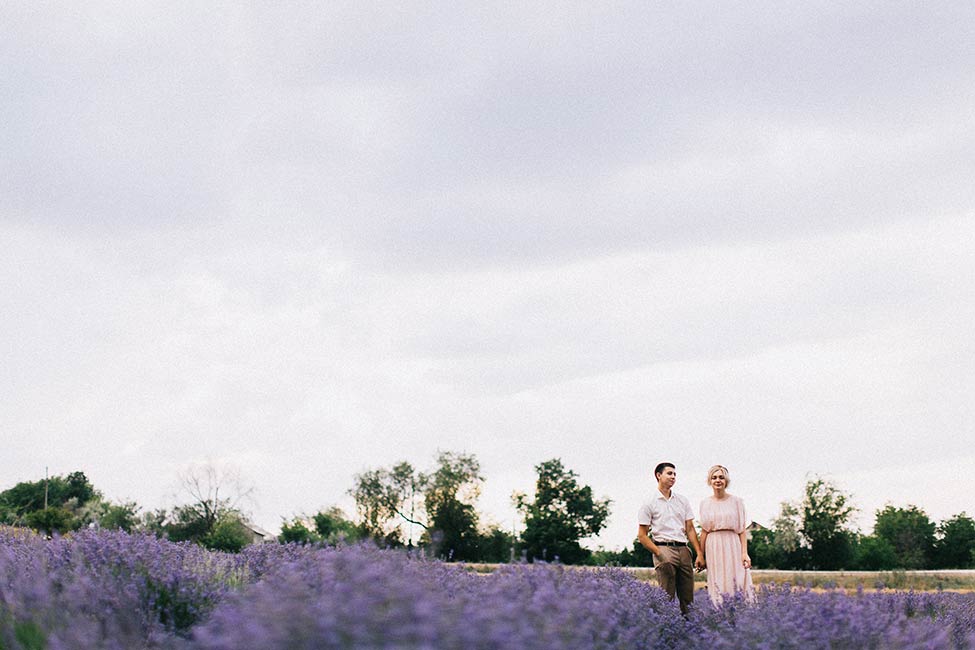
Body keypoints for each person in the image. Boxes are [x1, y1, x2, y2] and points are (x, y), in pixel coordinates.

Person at [637, 462, 704, 614]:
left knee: (688, 599)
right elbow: (642, 535)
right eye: (669, 473)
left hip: (684, 550)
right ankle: (666, 633)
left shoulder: (682, 500)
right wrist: (660, 554)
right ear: (658, 475)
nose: (673, 477)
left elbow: (690, 529)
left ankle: (690, 632)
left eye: (674, 474)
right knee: (666, 598)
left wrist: (699, 553)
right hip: (663, 548)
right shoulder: (649, 502)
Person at [698, 464, 754, 606]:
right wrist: (700, 554)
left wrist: (744, 553)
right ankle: (720, 613)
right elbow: (704, 531)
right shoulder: (705, 503)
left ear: (726, 481)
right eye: (714, 477)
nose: (718, 480)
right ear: (710, 481)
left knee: (738, 578)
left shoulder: (737, 502)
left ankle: (741, 612)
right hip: (713, 545)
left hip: (733, 543)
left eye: (721, 477)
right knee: (718, 581)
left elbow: (741, 530)